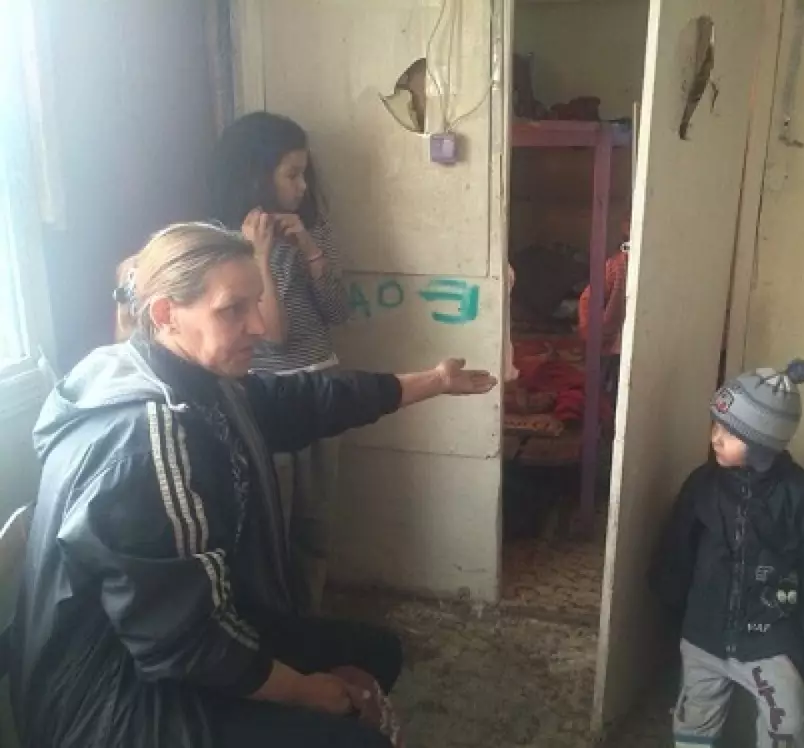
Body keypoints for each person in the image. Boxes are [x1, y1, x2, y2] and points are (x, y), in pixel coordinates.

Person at [11, 222, 496, 748]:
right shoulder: (146, 440)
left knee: (377, 652)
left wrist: (435, 381)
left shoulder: (194, 381)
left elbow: (304, 402)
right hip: (113, 699)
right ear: (166, 314)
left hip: (172, 640)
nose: (260, 326)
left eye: (257, 303)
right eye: (233, 309)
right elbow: (181, 642)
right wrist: (309, 692)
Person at [648, 359, 804, 748]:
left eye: (730, 433)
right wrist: (670, 599)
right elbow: (678, 547)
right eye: (715, 426)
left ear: (762, 446)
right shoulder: (703, 485)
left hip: (770, 639)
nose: (715, 438)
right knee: (695, 716)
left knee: (786, 721)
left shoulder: (799, 498)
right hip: (704, 634)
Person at [210, 111, 352, 614]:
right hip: (258, 396)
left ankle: (307, 621)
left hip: (319, 385)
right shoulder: (221, 241)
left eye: (304, 173)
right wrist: (260, 258)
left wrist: (310, 249)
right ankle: (272, 625)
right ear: (257, 174)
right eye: (292, 174)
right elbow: (273, 333)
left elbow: (339, 312)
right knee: (268, 521)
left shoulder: (312, 230)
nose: (302, 186)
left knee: (315, 524)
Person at [578, 220, 629, 398]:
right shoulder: (618, 265)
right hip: (615, 347)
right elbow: (588, 301)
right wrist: (603, 332)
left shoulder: (620, 264)